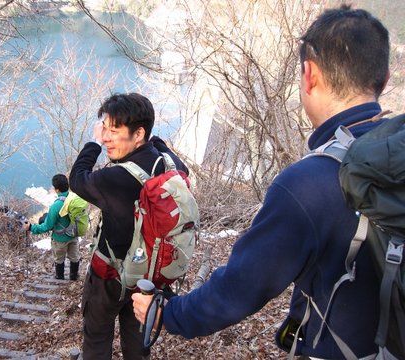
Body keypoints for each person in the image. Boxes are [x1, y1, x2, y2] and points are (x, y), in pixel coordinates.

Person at [133, 6, 391, 359]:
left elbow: (240, 289)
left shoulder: (308, 185)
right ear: (385, 79)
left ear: (309, 74)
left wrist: (168, 314)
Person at [69, 93, 189, 360]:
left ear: (138, 134)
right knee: (137, 343)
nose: (106, 137)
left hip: (109, 276)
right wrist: (154, 141)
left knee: (98, 335)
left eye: (114, 130)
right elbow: (175, 162)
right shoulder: (171, 165)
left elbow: (77, 179)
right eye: (105, 129)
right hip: (149, 277)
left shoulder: (117, 178)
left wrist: (92, 142)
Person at [23, 174, 80, 280]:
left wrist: (31, 228)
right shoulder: (74, 199)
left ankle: (59, 278)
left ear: (56, 189)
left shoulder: (56, 205)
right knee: (75, 257)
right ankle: (74, 277)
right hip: (74, 235)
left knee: (59, 259)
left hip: (60, 239)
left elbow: (47, 226)